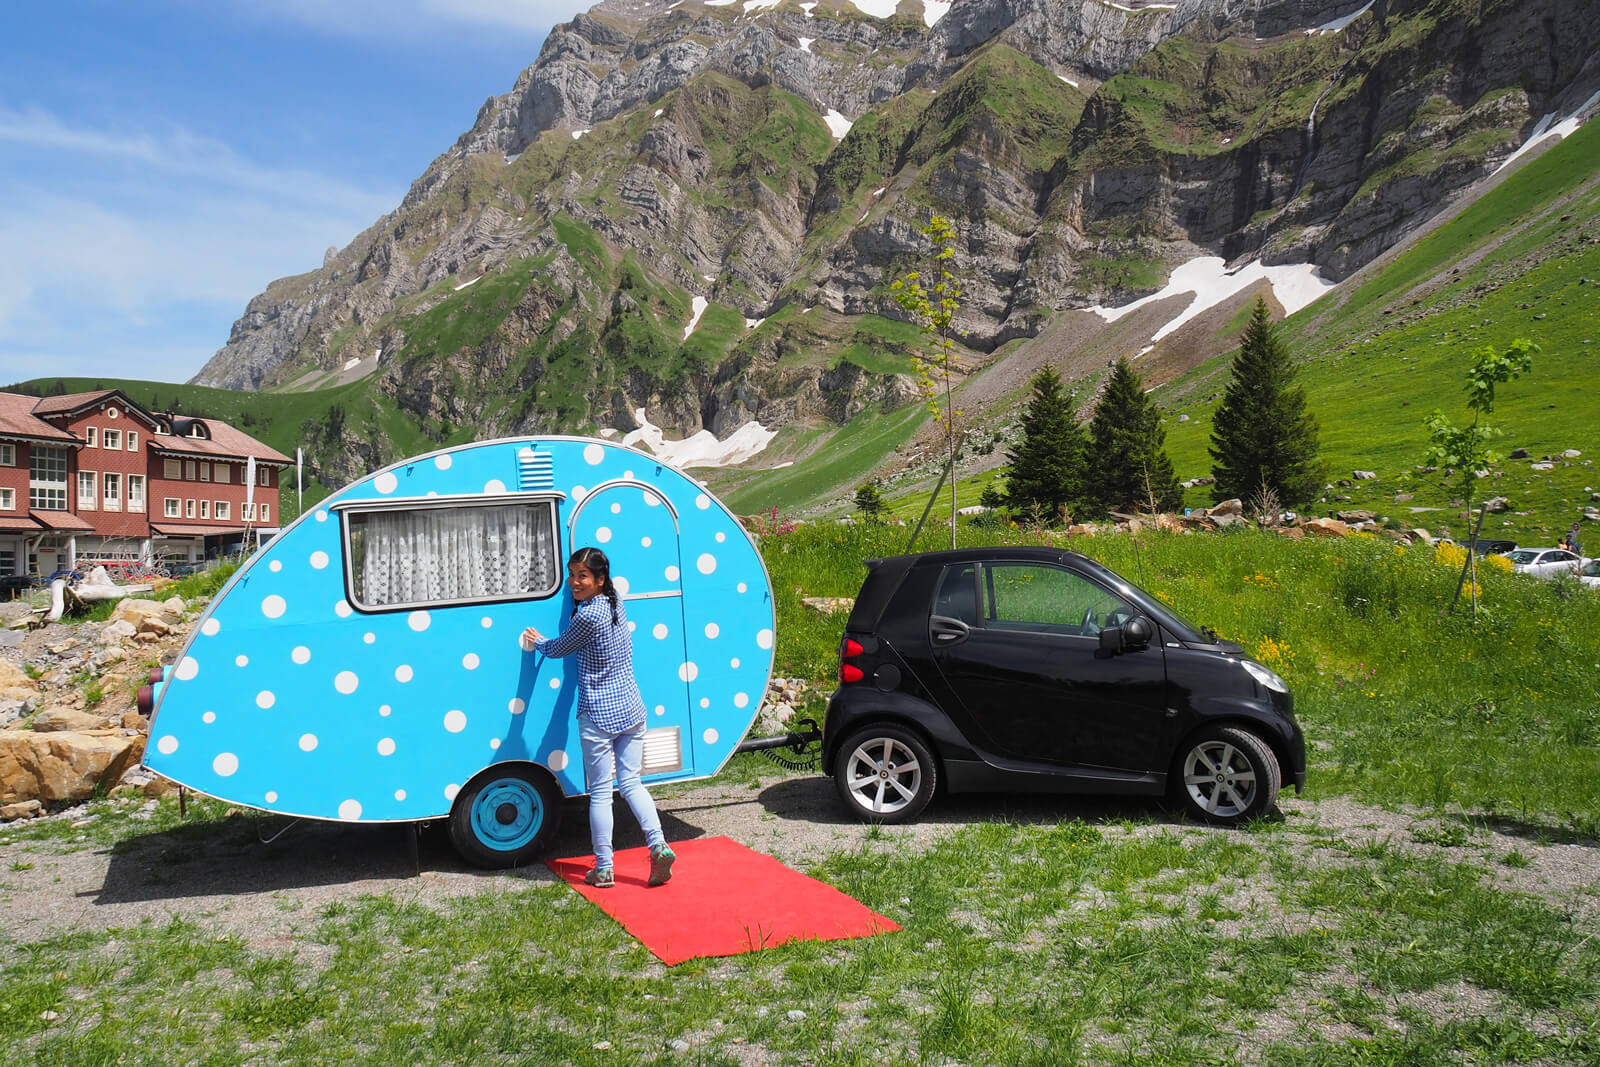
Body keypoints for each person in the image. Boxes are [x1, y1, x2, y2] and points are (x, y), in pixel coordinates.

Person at [522, 547, 675, 889]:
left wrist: (538, 641)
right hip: (632, 709)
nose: (574, 582)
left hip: (599, 714)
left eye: (582, 576)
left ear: (599, 580)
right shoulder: (615, 602)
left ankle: (604, 868)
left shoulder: (587, 617)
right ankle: (658, 844)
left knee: (602, 793)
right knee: (633, 783)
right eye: (572, 574)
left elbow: (560, 648)